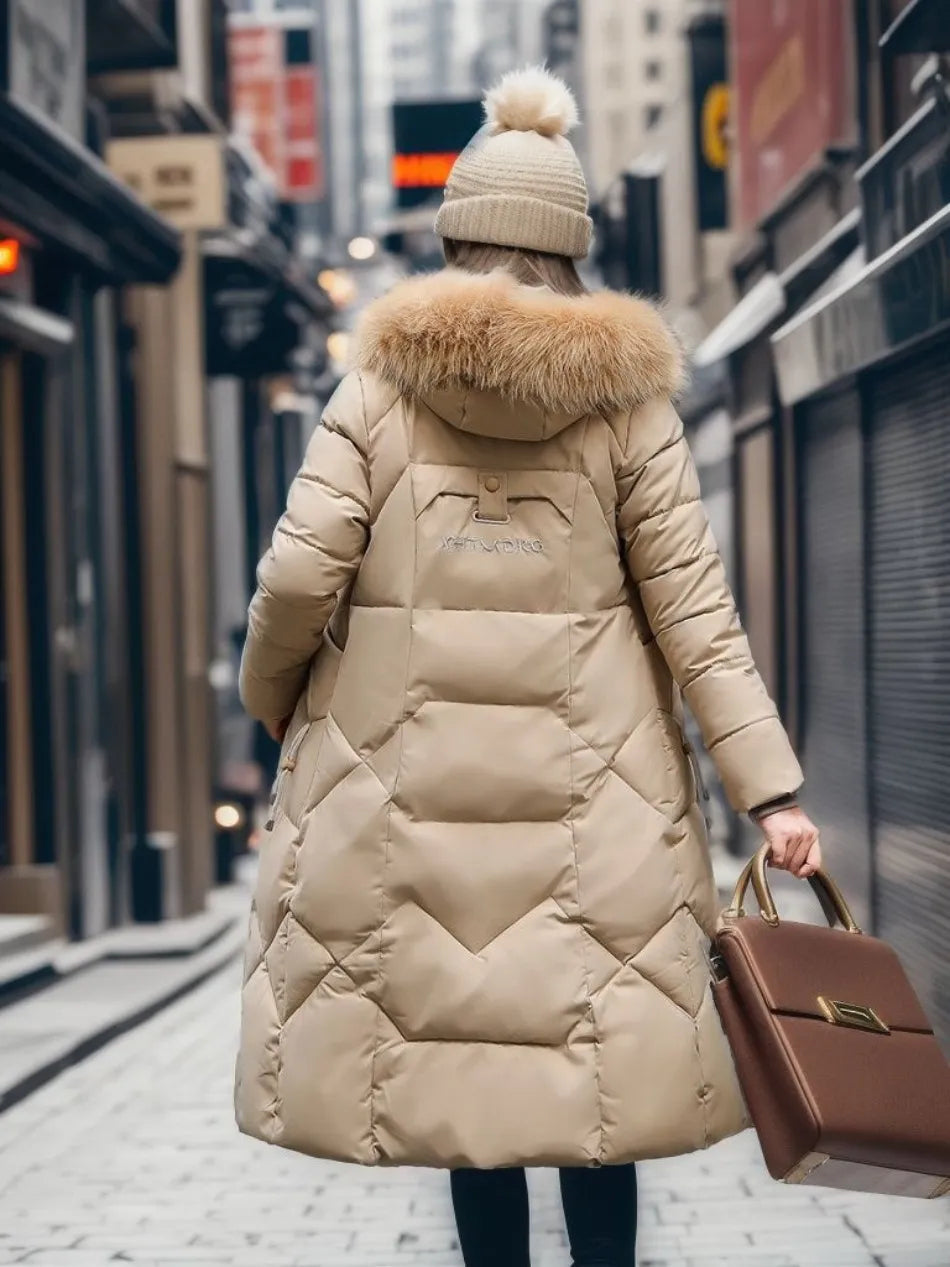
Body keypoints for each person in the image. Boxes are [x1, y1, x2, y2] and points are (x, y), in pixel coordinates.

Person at [235, 67, 820, 1267]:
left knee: (463, 1095)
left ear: (455, 232)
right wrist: (770, 791)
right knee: (594, 1095)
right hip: (595, 808)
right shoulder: (630, 407)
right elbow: (694, 613)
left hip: (411, 805)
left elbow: (297, 579)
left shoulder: (377, 389)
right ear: (573, 249)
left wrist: (280, 704)